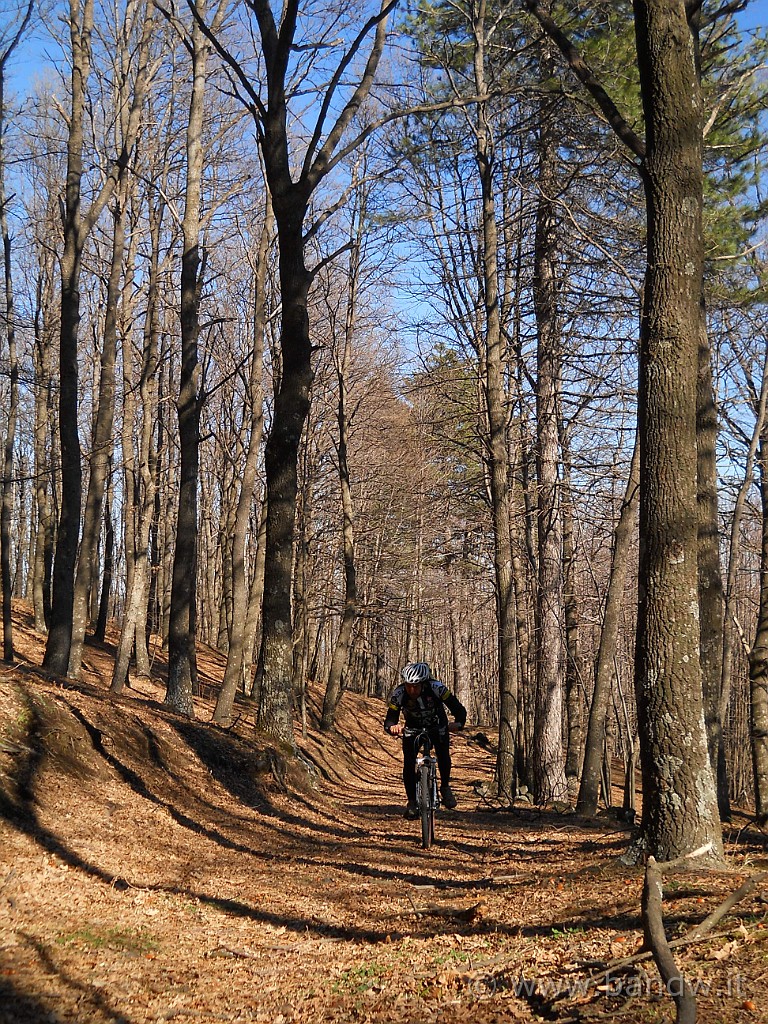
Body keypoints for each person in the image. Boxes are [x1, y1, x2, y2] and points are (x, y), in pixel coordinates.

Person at [384, 661, 467, 819]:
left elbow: (458, 708)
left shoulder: (437, 688)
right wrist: (392, 727)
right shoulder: (399, 694)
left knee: (443, 754)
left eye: (416, 686)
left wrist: (459, 723)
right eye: (409, 686)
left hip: (437, 725)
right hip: (413, 728)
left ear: (424, 683)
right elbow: (389, 719)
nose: (412, 690)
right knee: (409, 761)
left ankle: (445, 787)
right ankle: (412, 802)